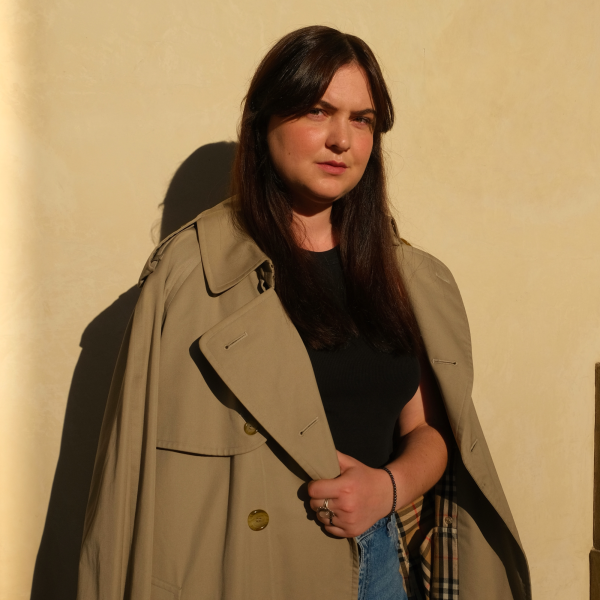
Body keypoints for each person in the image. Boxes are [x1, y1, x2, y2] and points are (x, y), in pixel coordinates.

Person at [77, 26, 530, 600]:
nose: (342, 139)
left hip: (381, 565)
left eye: (362, 119)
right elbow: (128, 478)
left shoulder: (402, 274)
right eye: (319, 111)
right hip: (250, 575)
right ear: (263, 121)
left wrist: (386, 488)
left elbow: (429, 431)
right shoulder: (190, 276)